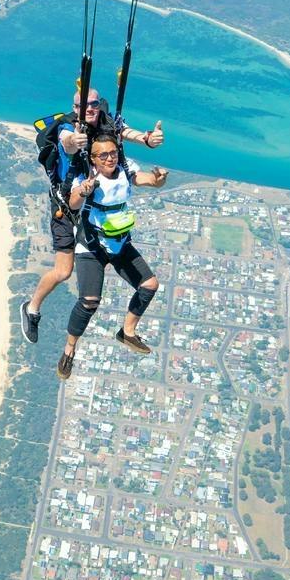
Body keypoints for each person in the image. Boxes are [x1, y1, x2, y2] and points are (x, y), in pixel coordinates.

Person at [20, 88, 164, 343]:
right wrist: (75, 142)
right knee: (63, 272)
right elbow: (67, 141)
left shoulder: (107, 121)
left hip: (92, 205)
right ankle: (31, 308)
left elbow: (125, 132)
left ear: (99, 105)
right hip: (68, 205)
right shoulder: (67, 127)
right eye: (82, 105)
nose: (89, 109)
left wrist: (148, 139)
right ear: (74, 108)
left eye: (94, 104)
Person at [56, 132, 169, 379]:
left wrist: (159, 180)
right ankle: (69, 349)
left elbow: (147, 180)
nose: (110, 158)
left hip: (118, 243)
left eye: (113, 153)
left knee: (149, 285)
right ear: (94, 159)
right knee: (89, 301)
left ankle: (127, 331)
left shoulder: (125, 169)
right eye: (103, 155)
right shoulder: (87, 177)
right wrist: (84, 190)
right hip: (92, 246)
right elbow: (73, 203)